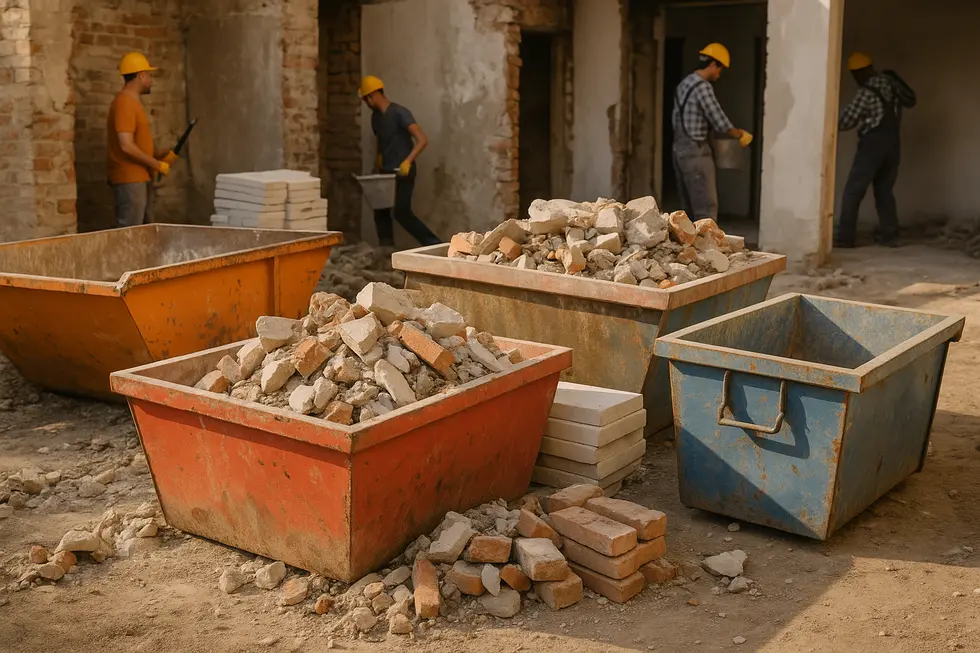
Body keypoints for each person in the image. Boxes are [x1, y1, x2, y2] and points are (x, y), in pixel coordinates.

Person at [835, 52, 916, 248]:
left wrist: (829, 123)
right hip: (893, 143)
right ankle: (890, 236)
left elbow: (846, 121)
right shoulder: (891, 83)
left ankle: (845, 238)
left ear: (862, 72)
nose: (856, 80)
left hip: (873, 145)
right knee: (884, 191)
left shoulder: (867, 91)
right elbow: (910, 100)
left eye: (856, 75)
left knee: (853, 191)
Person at [671, 43, 751, 220]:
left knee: (688, 209)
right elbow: (719, 121)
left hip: (679, 150)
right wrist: (739, 134)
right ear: (714, 64)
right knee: (705, 209)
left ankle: (688, 245)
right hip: (696, 153)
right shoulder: (702, 87)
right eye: (720, 69)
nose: (719, 74)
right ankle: (707, 246)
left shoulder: (684, 84)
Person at [359, 75, 441, 248]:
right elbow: (381, 142)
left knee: (401, 212)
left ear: (371, 96)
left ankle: (433, 243)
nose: (366, 104)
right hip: (386, 171)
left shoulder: (399, 113)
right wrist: (378, 162)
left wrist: (408, 161)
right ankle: (386, 250)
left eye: (366, 99)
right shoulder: (376, 118)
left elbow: (422, 139)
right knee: (380, 210)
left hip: (404, 170)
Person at [107, 52, 177, 229]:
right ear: (140, 75)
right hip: (130, 179)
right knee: (130, 233)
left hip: (139, 178)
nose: (150, 80)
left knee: (144, 233)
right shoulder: (125, 104)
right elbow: (126, 146)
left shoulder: (132, 103)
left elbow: (136, 145)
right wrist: (156, 164)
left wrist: (161, 155)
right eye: (149, 75)